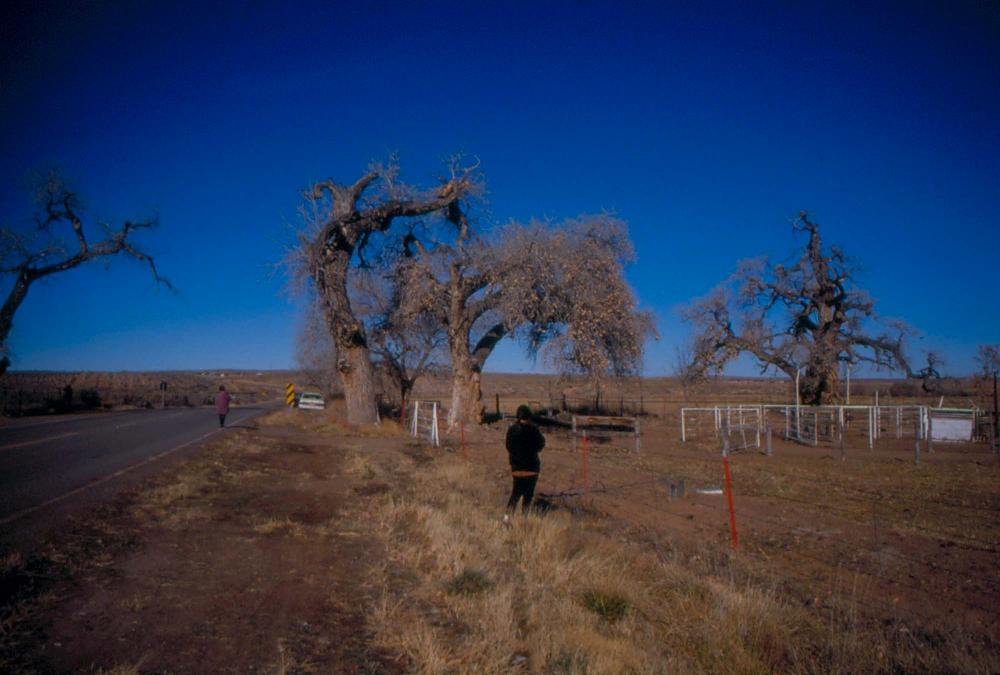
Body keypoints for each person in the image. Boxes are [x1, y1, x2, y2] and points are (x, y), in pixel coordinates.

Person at [505, 404, 545, 516]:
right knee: (528, 496)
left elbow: (508, 447)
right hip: (532, 468)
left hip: (516, 468)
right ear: (529, 417)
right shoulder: (534, 430)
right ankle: (524, 519)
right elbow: (541, 445)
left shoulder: (512, 430)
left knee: (515, 494)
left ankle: (506, 518)